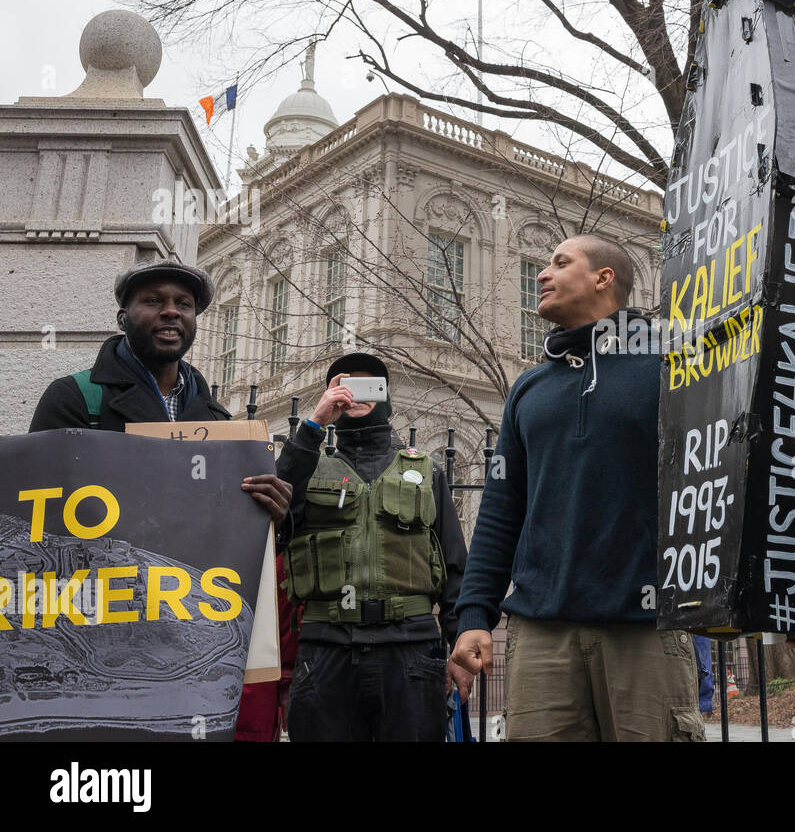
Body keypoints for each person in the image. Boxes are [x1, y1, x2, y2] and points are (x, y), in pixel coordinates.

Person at [450, 234, 703, 742]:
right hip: (541, 632)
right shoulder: (529, 388)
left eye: (560, 263)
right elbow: (502, 509)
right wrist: (475, 613)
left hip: (647, 626)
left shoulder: (674, 366)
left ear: (603, 278)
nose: (543, 274)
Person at [276, 351, 470, 741]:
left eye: (370, 386)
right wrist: (314, 424)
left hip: (411, 650)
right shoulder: (308, 465)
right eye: (345, 385)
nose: (358, 394)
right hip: (325, 651)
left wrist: (460, 645)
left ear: (386, 398)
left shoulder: (426, 472)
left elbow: (455, 565)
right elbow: (275, 520)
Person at [28, 258, 291, 522]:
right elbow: (35, 510)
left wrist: (269, 517)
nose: (171, 311)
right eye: (153, 301)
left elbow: (228, 532)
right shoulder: (75, 397)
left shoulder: (220, 422)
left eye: (183, 304)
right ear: (122, 319)